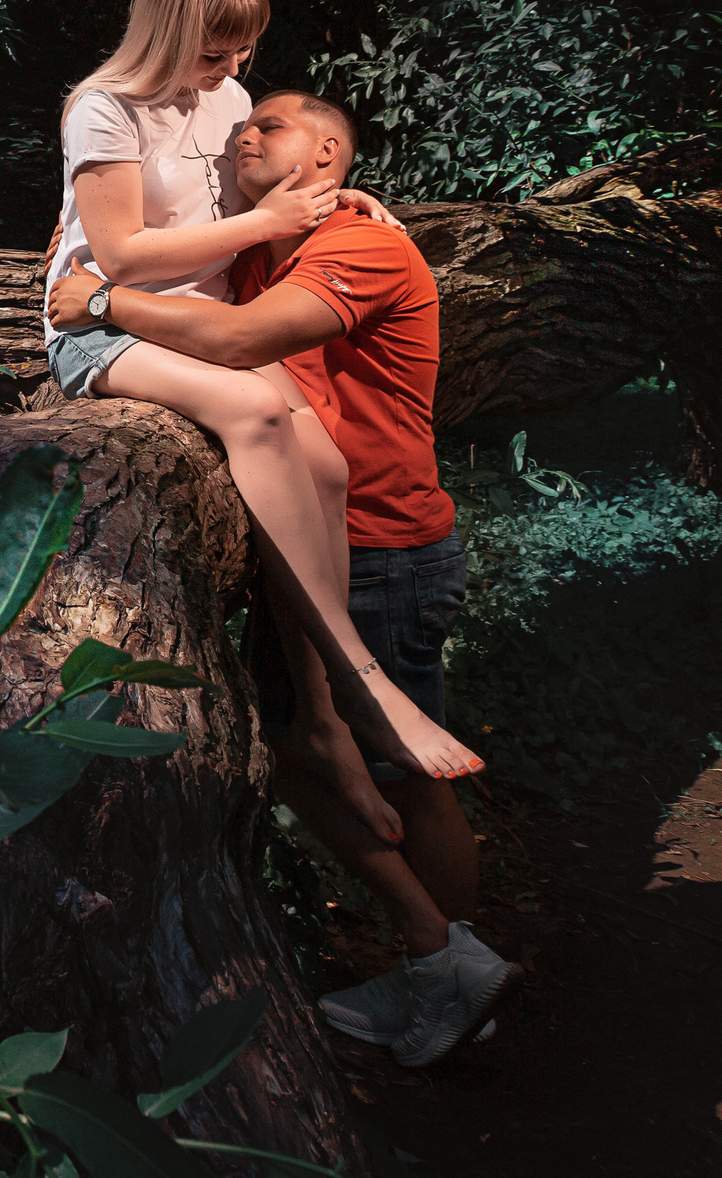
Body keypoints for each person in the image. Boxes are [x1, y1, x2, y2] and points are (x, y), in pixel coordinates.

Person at [48, 88, 520, 1066]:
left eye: (271, 125)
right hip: (314, 536)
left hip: (381, 543)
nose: (244, 133)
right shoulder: (270, 241)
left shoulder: (358, 244)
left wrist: (94, 303)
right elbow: (138, 239)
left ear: (328, 154)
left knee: (391, 768)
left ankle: (450, 972)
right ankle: (445, 965)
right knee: (314, 746)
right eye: (243, 125)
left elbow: (233, 340)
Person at [41, 0, 483, 813]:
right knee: (256, 409)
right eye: (216, 51)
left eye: (243, 49)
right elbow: (121, 256)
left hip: (202, 323)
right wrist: (267, 222)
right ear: (167, 32)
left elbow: (253, 201)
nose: (234, 69)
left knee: (326, 464)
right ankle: (361, 682)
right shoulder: (104, 108)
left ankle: (321, 717)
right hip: (103, 323)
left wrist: (328, 198)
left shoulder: (231, 101)